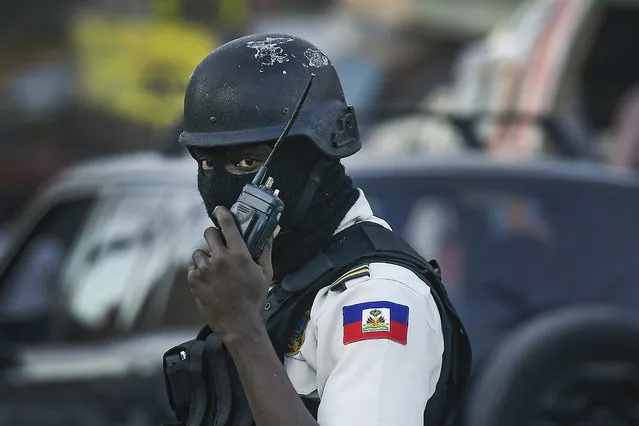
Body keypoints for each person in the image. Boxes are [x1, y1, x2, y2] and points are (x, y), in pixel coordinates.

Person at [162, 33, 471, 426]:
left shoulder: (377, 296)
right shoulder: (274, 278)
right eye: (206, 164)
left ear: (317, 157)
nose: (221, 188)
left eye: (247, 163)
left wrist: (243, 328)